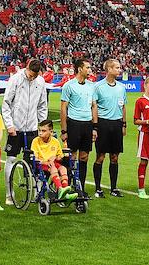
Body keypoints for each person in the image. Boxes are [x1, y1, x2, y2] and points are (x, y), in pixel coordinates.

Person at [1, 58, 47, 206]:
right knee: (11, 159)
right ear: (27, 68)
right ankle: (9, 194)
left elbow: (42, 105)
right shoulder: (15, 79)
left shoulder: (40, 82)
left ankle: (36, 192)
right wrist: (9, 125)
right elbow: (6, 104)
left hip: (32, 128)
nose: (32, 78)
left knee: (34, 161)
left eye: (35, 76)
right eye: (30, 75)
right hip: (16, 128)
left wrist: (42, 126)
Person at [91, 58, 128, 197]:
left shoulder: (121, 87)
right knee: (100, 157)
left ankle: (113, 188)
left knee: (115, 157)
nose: (119, 70)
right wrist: (95, 126)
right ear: (109, 69)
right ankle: (98, 188)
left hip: (117, 124)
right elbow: (94, 107)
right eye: (117, 67)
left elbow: (123, 107)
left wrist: (124, 124)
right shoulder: (98, 86)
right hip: (103, 124)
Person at [59, 57, 95, 195]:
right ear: (80, 69)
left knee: (84, 157)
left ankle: (81, 188)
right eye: (88, 67)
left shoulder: (91, 86)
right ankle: (67, 187)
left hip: (87, 124)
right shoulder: (69, 85)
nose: (90, 70)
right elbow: (63, 108)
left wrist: (95, 127)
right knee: (72, 156)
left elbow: (94, 106)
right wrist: (64, 130)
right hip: (74, 123)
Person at [32, 120, 72, 199]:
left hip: (53, 163)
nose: (40, 133)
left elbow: (59, 156)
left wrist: (58, 157)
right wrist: (45, 162)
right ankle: (60, 189)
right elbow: (35, 157)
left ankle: (65, 190)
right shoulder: (35, 141)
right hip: (41, 164)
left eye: (43, 131)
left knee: (63, 169)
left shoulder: (55, 141)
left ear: (51, 131)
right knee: (53, 167)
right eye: (39, 130)